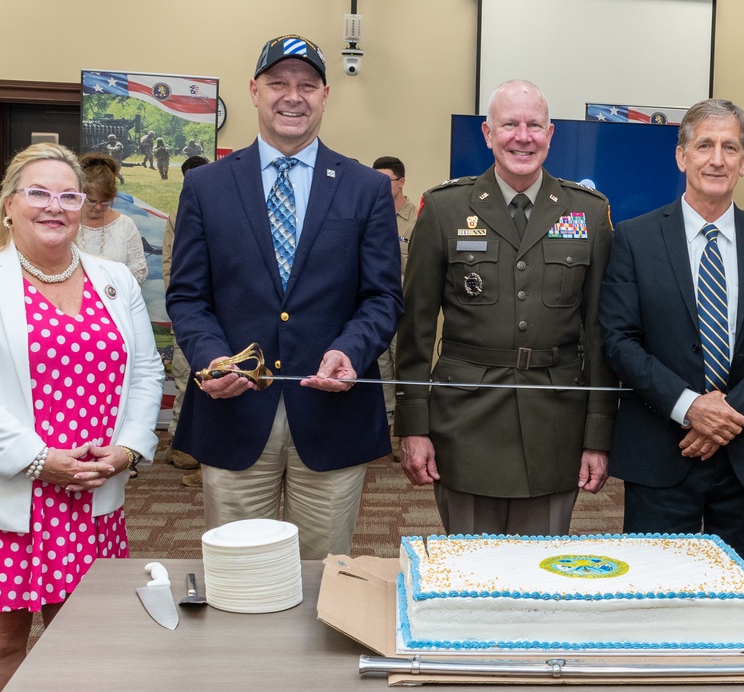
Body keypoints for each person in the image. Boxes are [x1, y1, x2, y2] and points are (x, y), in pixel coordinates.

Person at [0, 142, 163, 692]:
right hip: (7, 491)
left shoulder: (114, 280)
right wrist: (41, 461)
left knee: (85, 636)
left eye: (68, 195)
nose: (54, 207)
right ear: (9, 204)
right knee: (2, 641)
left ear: (84, 205)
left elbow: (148, 374)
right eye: (38, 193)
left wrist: (127, 450)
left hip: (90, 488)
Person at [165, 34, 402, 560]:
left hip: (331, 413)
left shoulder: (364, 188)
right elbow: (187, 297)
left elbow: (383, 296)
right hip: (234, 410)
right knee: (238, 573)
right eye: (278, 83)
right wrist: (210, 359)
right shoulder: (207, 186)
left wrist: (353, 351)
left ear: (325, 95)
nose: (292, 96)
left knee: (322, 577)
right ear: (254, 91)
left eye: (307, 85)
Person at [395, 79, 616, 537]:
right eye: (510, 124)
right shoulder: (445, 209)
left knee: (543, 576)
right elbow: (415, 329)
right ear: (488, 133)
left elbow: (599, 333)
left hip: (555, 424)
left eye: (534, 125)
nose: (523, 136)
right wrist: (413, 426)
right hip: (465, 423)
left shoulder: (588, 213)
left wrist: (598, 434)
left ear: (550, 134)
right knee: (471, 573)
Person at [599, 98, 744, 560]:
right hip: (661, 451)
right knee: (655, 597)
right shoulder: (634, 239)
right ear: (681, 155)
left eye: (730, 148)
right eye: (705, 145)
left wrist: (723, 415)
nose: (717, 159)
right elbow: (618, 340)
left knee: (742, 597)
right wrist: (690, 407)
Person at [161, 154, 209, 485]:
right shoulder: (180, 213)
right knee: (183, 373)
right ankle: (179, 443)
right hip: (190, 310)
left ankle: (198, 442)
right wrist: (183, 305)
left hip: (218, 314)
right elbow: (170, 263)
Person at [371, 155, 417, 460]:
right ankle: (385, 433)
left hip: (407, 309)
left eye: (385, 181)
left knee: (405, 370)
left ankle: (408, 432)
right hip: (376, 309)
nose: (379, 186)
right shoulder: (372, 212)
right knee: (380, 369)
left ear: (401, 182)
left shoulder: (418, 218)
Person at [77, 153, 148, 286]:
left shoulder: (125, 225)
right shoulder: (68, 221)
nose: (98, 207)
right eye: (91, 201)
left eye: (105, 202)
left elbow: (139, 272)